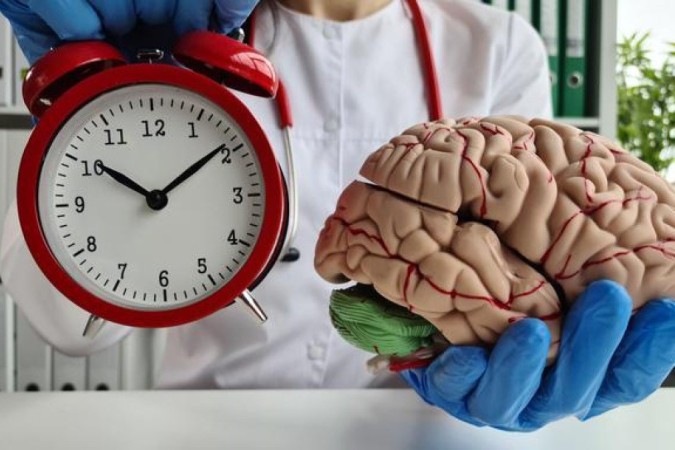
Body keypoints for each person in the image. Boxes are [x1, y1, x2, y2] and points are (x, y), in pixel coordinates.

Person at [0, 0, 674, 432]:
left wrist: (538, 345)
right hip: (207, 424)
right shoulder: (178, 34)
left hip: (418, 433)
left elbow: (545, 251)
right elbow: (69, 325)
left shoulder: (495, 44)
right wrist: (103, 106)